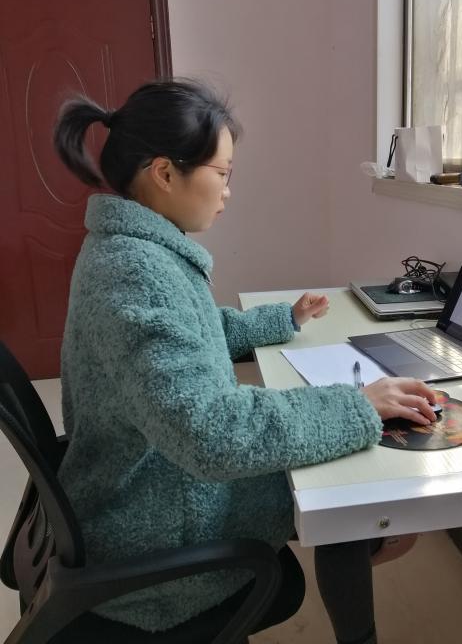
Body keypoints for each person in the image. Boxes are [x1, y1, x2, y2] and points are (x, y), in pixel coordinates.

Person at [54, 79, 436, 643]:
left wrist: (283, 319)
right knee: (351, 497)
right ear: (165, 173)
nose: (229, 191)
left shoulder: (134, 250)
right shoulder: (134, 272)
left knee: (336, 479)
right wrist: (357, 406)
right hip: (152, 524)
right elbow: (211, 434)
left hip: (152, 482)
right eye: (223, 173)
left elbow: (196, 331)